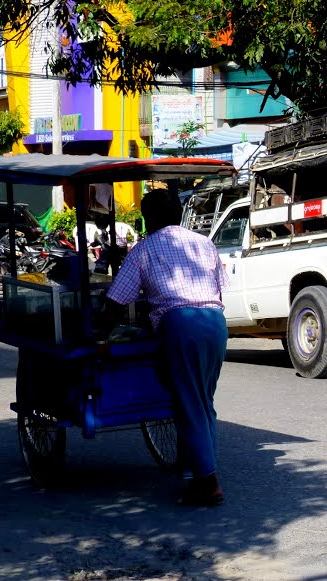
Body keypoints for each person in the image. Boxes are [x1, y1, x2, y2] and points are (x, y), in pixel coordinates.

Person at [106, 189, 230, 506]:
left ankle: (209, 481)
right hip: (215, 323)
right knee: (203, 402)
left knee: (188, 405)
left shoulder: (143, 250)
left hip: (181, 324)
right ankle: (195, 474)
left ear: (148, 220)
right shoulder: (204, 243)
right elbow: (221, 288)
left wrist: (101, 328)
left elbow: (116, 300)